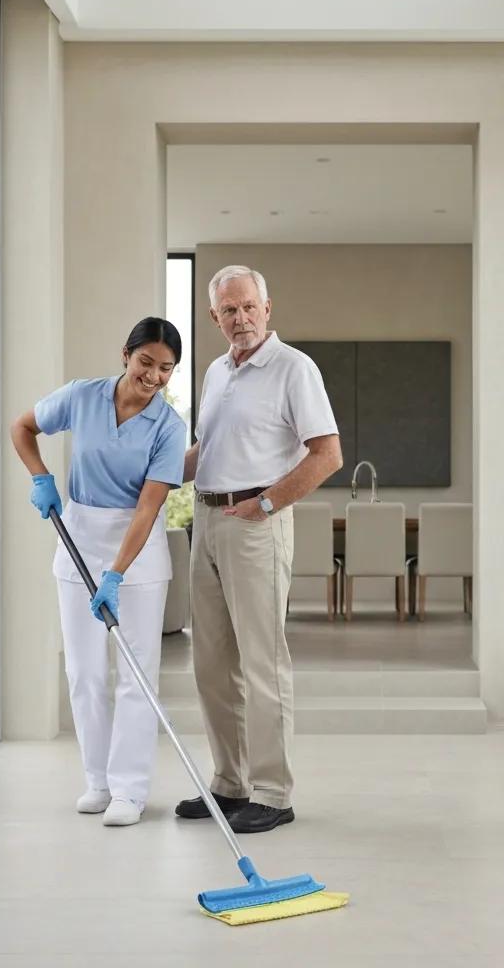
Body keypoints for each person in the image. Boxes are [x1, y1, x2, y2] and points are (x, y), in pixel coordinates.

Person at [175, 265, 342, 833]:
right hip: (207, 519)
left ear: (267, 309)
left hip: (256, 525)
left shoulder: (295, 368)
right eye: (229, 310)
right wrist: (151, 472)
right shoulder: (215, 373)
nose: (240, 318)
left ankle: (272, 792)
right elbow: (208, 448)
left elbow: (327, 454)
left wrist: (268, 504)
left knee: (262, 663)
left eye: (249, 307)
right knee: (212, 664)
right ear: (213, 317)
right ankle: (230, 783)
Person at [11, 317, 188, 827]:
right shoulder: (82, 396)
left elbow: (148, 508)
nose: (153, 376)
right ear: (125, 354)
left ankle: (130, 791)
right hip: (77, 538)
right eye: (145, 362)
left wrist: (115, 574)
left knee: (134, 674)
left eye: (166, 369)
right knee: (85, 672)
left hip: (138, 555)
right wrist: (41, 477)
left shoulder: (169, 428)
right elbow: (22, 427)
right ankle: (99, 781)